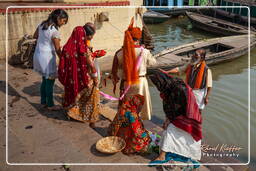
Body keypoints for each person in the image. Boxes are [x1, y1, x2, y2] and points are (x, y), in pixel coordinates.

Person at [149, 70, 202, 166]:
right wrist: (167, 119)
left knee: (170, 131)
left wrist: (171, 120)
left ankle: (162, 157)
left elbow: (182, 106)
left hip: (188, 115)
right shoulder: (168, 87)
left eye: (157, 83)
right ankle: (190, 156)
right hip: (179, 114)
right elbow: (170, 105)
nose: (157, 86)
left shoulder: (179, 88)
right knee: (172, 131)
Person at [58, 23, 103, 128]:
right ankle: (92, 120)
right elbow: (91, 66)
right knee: (94, 94)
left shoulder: (66, 48)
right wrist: (95, 78)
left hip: (71, 78)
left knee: (72, 94)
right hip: (83, 79)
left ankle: (71, 112)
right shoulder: (83, 49)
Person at [111, 17, 156, 120]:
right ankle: (137, 127)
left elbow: (115, 73)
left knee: (127, 108)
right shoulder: (144, 52)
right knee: (138, 108)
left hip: (127, 83)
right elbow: (153, 63)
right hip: (141, 83)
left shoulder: (120, 53)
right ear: (138, 39)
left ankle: (127, 127)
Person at [33, 9, 68, 111]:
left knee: (44, 79)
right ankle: (50, 105)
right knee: (50, 81)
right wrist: (63, 59)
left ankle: (43, 102)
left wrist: (44, 41)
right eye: (63, 20)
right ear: (58, 18)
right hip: (47, 57)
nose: (64, 23)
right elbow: (58, 49)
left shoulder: (42, 24)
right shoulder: (54, 31)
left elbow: (35, 36)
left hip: (38, 54)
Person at [160, 49, 212, 113]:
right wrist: (167, 72)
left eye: (196, 55)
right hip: (188, 90)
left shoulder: (207, 70)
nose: (193, 56)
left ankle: (196, 122)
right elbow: (179, 70)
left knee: (198, 111)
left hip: (199, 93)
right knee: (186, 108)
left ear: (201, 57)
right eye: (193, 54)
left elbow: (209, 85)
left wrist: (206, 97)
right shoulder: (190, 64)